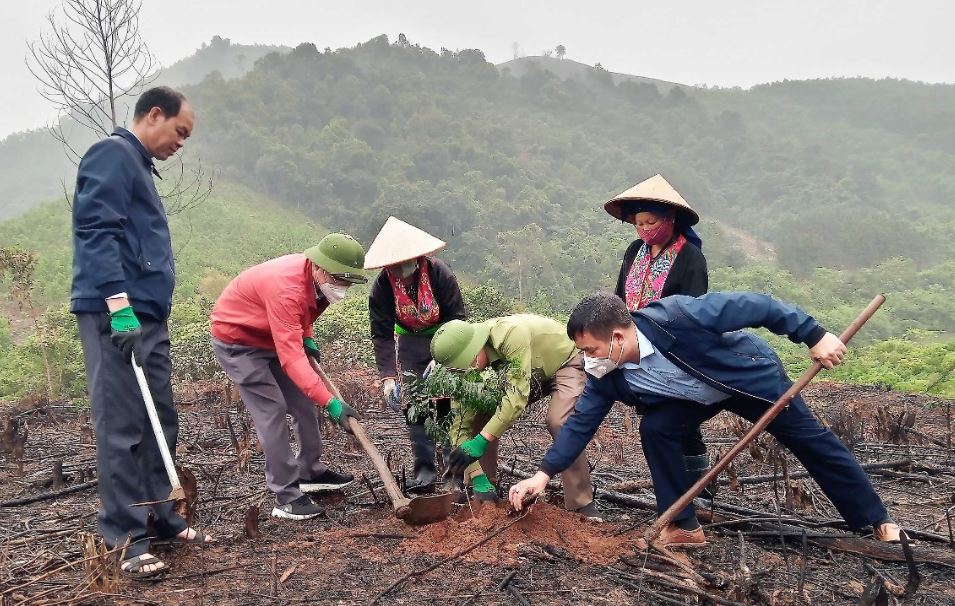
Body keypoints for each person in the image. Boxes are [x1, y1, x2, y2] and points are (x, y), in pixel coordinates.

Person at [509, 292, 902, 548]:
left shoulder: (678, 316)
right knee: (657, 428)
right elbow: (580, 424)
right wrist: (543, 475)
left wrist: (814, 335)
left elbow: (759, 307)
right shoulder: (604, 372)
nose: (588, 358)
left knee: (810, 440)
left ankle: (875, 519)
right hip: (690, 398)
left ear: (616, 336)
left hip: (743, 379)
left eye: (591, 348)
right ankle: (683, 525)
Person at [72, 86, 210, 579]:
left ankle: (160, 516)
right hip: (118, 312)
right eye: (179, 132)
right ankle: (122, 535)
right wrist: (118, 305)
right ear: (154, 114)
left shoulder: (141, 167)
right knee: (123, 423)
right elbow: (96, 229)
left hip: (149, 313)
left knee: (160, 419)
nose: (181, 143)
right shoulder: (112, 154)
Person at [210, 234, 365, 521]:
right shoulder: (287, 287)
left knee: (304, 402)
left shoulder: (320, 283)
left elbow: (302, 318)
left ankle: (310, 470)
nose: (341, 288)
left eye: (347, 282)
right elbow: (292, 358)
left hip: (274, 336)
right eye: (338, 280)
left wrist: (308, 337)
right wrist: (331, 404)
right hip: (239, 341)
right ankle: (286, 496)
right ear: (319, 267)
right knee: (272, 409)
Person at [430, 315, 603, 520]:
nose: (467, 373)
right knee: (481, 411)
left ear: (476, 351)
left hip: (562, 362)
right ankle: (485, 491)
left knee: (560, 421)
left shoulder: (510, 334)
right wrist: (476, 475)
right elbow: (459, 425)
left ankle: (581, 502)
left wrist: (481, 441)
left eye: (468, 366)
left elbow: (516, 398)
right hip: (525, 375)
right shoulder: (464, 374)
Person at [606, 173, 711, 491]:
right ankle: (675, 486)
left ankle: (698, 489)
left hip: (673, 351)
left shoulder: (689, 257)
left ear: (670, 218)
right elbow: (620, 297)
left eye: (651, 222)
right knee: (654, 418)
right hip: (636, 349)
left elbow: (694, 310)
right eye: (639, 223)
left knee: (680, 421)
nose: (645, 230)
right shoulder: (634, 252)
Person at [366, 217, 466, 489]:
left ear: (418, 257)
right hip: (410, 344)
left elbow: (457, 318)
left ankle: (453, 475)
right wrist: (388, 376)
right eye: (394, 266)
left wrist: (442, 356)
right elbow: (382, 333)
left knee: (445, 407)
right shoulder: (382, 287)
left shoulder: (439, 274)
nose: (400, 271)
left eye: (405, 263)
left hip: (445, 338)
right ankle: (424, 473)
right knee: (415, 408)